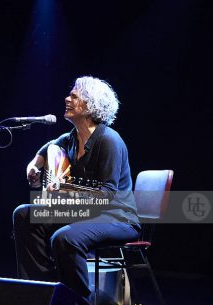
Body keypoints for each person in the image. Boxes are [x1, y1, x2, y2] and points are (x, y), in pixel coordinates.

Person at [13, 76, 141, 304]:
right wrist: (33, 166)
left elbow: (107, 195)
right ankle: (44, 291)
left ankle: (77, 300)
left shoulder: (109, 140)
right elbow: (45, 150)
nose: (67, 98)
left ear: (91, 105)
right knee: (24, 214)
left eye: (74, 96)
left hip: (117, 217)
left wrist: (65, 188)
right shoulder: (70, 139)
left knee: (65, 238)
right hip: (87, 214)